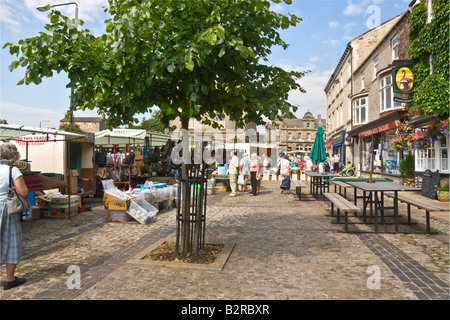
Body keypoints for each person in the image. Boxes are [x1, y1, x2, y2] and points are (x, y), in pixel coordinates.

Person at [0, 143, 28, 290]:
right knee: (11, 243)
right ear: (14, 156)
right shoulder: (13, 170)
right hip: (7, 210)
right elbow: (23, 192)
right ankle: (10, 279)